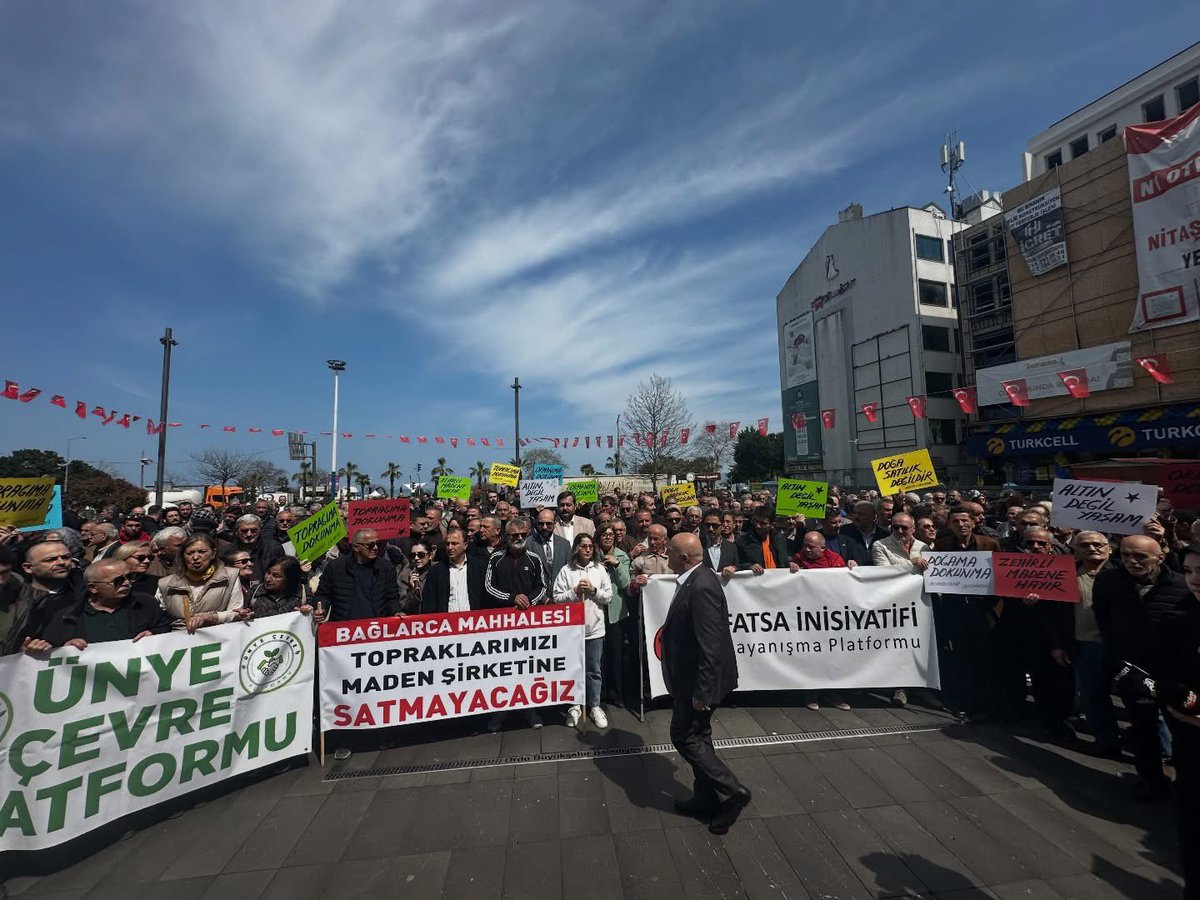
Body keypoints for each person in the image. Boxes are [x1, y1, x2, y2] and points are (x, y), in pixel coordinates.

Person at [661, 533, 750, 834]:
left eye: (670, 552)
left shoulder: (700, 586)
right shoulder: (693, 579)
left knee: (684, 736)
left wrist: (702, 692)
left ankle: (732, 792)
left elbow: (710, 644)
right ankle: (706, 797)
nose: (666, 556)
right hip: (691, 679)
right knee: (699, 735)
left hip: (698, 682)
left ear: (684, 558)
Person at [1094, 534, 1193, 801]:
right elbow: (1104, 619)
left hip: (1174, 675)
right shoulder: (1108, 581)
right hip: (1133, 672)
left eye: (1140, 556)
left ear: (1160, 557)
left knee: (1182, 731)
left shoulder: (1182, 586)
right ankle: (1151, 779)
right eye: (1126, 555)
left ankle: (1185, 782)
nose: (1131, 561)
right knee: (1142, 728)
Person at [482, 518, 548, 731]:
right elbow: (489, 587)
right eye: (514, 536)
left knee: (529, 669)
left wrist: (529, 601)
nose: (519, 539)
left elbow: (542, 586)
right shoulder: (496, 558)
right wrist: (512, 598)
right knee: (502, 671)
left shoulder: (535, 558)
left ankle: (531, 711)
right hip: (502, 627)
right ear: (506, 537)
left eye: (522, 535)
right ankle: (498, 714)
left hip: (529, 624)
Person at [39, 558, 173, 647]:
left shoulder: (145, 603)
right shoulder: (67, 616)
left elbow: (166, 628)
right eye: (117, 581)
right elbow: (51, 649)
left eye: (130, 577)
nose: (127, 583)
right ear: (93, 588)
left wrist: (154, 634)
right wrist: (65, 648)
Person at [553, 533, 613, 728]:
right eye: (583, 546)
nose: (587, 549)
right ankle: (575, 705)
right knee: (573, 669)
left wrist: (594, 591)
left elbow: (608, 597)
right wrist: (574, 593)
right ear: (576, 548)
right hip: (572, 631)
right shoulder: (566, 570)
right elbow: (557, 597)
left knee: (594, 670)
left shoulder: (600, 569)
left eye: (590, 546)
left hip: (594, 629)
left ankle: (594, 705)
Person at [156, 533, 253, 632]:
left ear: (213, 554)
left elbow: (236, 612)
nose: (195, 557)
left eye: (202, 552)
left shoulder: (230, 576)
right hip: (178, 640)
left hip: (217, 637)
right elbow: (157, 620)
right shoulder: (166, 584)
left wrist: (210, 617)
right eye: (190, 553)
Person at [2, 540, 84, 655]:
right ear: (28, 568)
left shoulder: (84, 595)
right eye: (51, 559)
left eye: (66, 557)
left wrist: (68, 648)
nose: (61, 562)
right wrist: (22, 652)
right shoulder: (12, 601)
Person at [312, 529, 402, 623]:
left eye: (377, 544)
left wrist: (396, 611)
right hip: (344, 628)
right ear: (356, 547)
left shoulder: (386, 568)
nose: (375, 548)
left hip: (376, 628)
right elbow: (323, 595)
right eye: (370, 545)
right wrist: (321, 608)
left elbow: (392, 597)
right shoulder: (336, 567)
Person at [596, 524, 635, 708]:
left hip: (616, 613)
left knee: (616, 655)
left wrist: (617, 565)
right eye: (603, 534)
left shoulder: (622, 556)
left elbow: (626, 585)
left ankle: (617, 693)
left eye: (610, 534)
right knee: (599, 656)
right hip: (596, 612)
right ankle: (601, 693)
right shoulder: (592, 555)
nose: (607, 537)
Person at [422, 528, 487, 613]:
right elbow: (429, 602)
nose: (450, 547)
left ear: (465, 545)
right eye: (447, 544)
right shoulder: (436, 571)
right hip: (446, 622)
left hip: (474, 621)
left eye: (454, 544)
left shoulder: (479, 567)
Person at [248, 556, 314, 618]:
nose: (268, 579)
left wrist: (308, 612)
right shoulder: (255, 592)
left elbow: (315, 618)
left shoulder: (303, 593)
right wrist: (243, 615)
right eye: (268, 572)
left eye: (276, 576)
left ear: (289, 578)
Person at [230, 514, 285, 581]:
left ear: (260, 530)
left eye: (254, 530)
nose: (249, 534)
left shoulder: (274, 548)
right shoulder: (226, 552)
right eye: (244, 531)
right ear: (237, 532)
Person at [736, 509, 789, 574]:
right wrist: (748, 566)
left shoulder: (779, 538)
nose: (758, 526)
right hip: (756, 581)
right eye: (756, 521)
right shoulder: (743, 541)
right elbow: (736, 564)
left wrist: (790, 562)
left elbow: (784, 558)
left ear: (772, 524)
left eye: (763, 523)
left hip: (777, 580)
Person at [527, 508, 571, 586]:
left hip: (560, 591)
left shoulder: (565, 544)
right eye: (541, 524)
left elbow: (569, 571)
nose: (544, 527)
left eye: (548, 524)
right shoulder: (528, 543)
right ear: (536, 524)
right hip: (538, 593)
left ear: (554, 524)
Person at [838, 501, 888, 567]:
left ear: (873, 517)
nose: (856, 516)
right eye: (854, 513)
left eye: (861, 514)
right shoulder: (844, 531)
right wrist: (847, 561)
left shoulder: (884, 535)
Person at [700, 510, 739, 576]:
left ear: (722, 526)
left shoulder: (731, 547)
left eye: (715, 525)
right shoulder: (697, 546)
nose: (711, 529)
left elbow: (738, 566)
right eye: (707, 525)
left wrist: (733, 568)